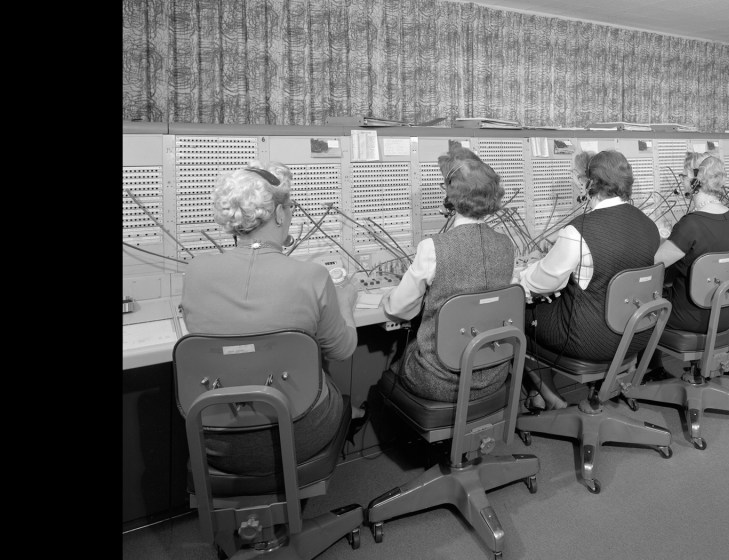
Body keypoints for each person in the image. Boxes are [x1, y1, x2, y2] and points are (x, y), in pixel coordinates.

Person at [180, 160, 360, 475]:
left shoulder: (195, 273)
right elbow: (343, 351)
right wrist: (345, 302)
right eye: (290, 207)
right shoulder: (312, 277)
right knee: (329, 384)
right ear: (278, 213)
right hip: (298, 436)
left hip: (216, 441)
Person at [516, 150, 661, 410]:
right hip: (636, 334)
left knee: (519, 317)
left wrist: (517, 275)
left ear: (589, 183)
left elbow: (542, 284)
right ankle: (539, 395)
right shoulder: (648, 225)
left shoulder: (578, 230)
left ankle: (551, 398)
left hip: (590, 341)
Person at [381, 142, 515, 403]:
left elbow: (401, 309)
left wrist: (388, 295)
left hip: (440, 380)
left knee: (390, 370)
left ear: (451, 197)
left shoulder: (433, 248)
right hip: (494, 375)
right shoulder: (506, 245)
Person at [643, 155, 729, 382]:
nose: (682, 180)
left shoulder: (691, 224)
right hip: (725, 313)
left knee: (645, 300)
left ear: (695, 181)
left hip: (691, 317)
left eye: (683, 176)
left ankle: (650, 372)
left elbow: (653, 263)